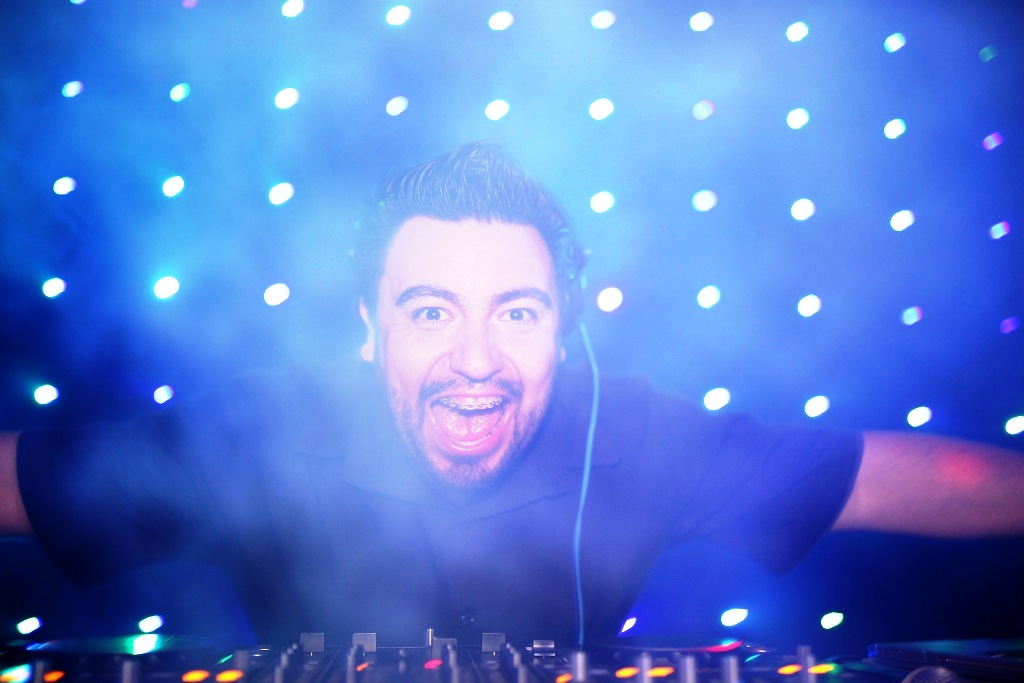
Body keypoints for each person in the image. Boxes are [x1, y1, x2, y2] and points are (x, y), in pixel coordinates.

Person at [1, 142, 1023, 649]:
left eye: (518, 312)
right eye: (431, 311)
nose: (477, 360)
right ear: (371, 327)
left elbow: (880, 479)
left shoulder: (635, 431)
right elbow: (29, 479)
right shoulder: (257, 432)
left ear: (563, 329)